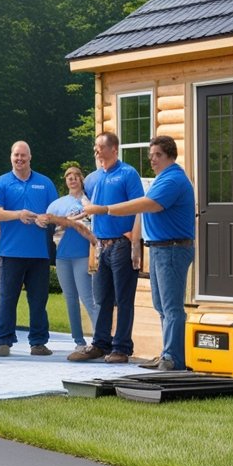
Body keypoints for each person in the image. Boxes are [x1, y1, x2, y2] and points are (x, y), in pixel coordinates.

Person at [86, 135, 196, 371]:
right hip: (159, 248)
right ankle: (168, 353)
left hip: (173, 249)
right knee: (161, 305)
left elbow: (147, 204)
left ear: (170, 155)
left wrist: (105, 209)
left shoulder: (173, 179)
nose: (152, 160)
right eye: (151, 155)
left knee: (172, 307)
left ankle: (173, 358)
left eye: (157, 155)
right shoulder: (161, 179)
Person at [67, 132, 144, 364]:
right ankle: (100, 344)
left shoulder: (128, 174)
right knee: (102, 298)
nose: (96, 151)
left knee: (123, 298)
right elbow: (92, 208)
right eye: (95, 148)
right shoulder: (91, 178)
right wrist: (78, 215)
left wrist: (135, 245)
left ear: (114, 149)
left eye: (100, 147)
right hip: (101, 244)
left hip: (122, 242)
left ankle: (121, 348)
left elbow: (139, 209)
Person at [0, 141, 59, 357]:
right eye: (16, 155)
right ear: (11, 157)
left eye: (23, 156)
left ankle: (38, 342)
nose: (20, 159)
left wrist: (47, 219)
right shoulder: (1, 183)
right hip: (9, 253)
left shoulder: (45, 184)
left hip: (39, 254)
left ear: (30, 157)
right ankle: (3, 341)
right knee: (7, 300)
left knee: (38, 301)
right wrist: (18, 214)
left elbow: (55, 212)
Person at [41, 164, 98, 353]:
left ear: (81, 179)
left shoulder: (88, 202)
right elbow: (48, 228)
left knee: (87, 297)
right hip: (63, 258)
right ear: (65, 181)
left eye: (76, 175)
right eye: (68, 176)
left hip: (82, 256)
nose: (72, 178)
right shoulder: (56, 205)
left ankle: (100, 339)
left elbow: (92, 228)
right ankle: (79, 340)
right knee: (70, 298)